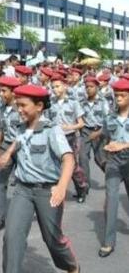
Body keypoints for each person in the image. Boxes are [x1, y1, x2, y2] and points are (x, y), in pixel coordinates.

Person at [0, 84, 80, 273]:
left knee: (52, 238)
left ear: (39, 106)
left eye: (24, 105)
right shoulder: (20, 127)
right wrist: (8, 153)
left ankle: (71, 266)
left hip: (48, 190)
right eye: (17, 105)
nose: (19, 109)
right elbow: (19, 141)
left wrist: (62, 187)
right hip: (23, 190)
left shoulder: (52, 130)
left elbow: (68, 159)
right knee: (12, 238)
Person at [99, 79, 129, 257]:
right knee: (111, 199)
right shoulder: (109, 117)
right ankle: (109, 242)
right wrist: (108, 147)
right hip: (114, 162)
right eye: (116, 95)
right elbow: (106, 136)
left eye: (123, 95)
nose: (118, 98)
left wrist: (124, 145)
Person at [0, 76, 21, 235]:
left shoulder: (21, 107)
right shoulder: (2, 107)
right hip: (6, 145)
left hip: (22, 148)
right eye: (0, 90)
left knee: (26, 184)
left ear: (14, 92)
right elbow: (1, 129)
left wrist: (9, 152)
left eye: (4, 91)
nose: (0, 94)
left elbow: (24, 133)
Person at [48, 74, 88, 203]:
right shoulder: (51, 104)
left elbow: (81, 123)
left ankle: (81, 188)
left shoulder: (73, 103)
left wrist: (69, 126)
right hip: (55, 137)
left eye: (58, 86)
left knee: (73, 166)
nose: (55, 89)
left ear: (65, 86)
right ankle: (57, 190)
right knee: (54, 164)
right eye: (53, 87)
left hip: (70, 137)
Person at [78, 76, 108, 186]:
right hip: (85, 131)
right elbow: (79, 117)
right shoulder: (82, 102)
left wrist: (99, 132)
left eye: (91, 87)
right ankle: (84, 185)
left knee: (99, 159)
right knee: (82, 157)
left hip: (99, 131)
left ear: (97, 88)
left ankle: (113, 175)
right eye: (87, 87)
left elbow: (108, 120)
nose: (89, 89)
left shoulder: (103, 102)